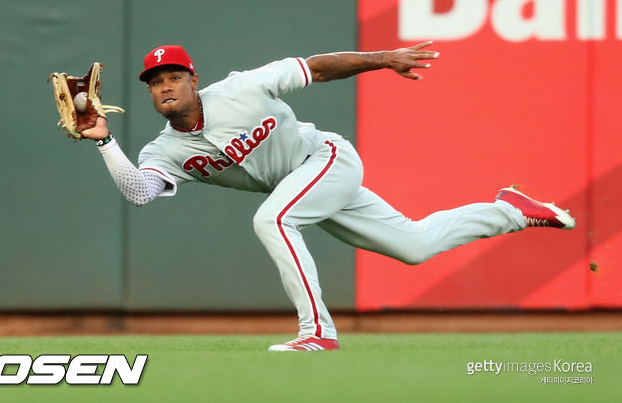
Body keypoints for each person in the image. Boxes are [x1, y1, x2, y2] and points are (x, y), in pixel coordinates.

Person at [82, 42, 575, 352]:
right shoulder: (165, 150)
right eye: (155, 82)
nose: (165, 86)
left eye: (173, 76)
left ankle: (317, 331)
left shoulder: (240, 90)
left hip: (327, 159)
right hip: (302, 186)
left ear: (193, 79)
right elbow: (140, 191)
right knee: (415, 246)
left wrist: (382, 59)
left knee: (273, 220)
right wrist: (105, 141)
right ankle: (511, 210)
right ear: (149, 94)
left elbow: (314, 68)